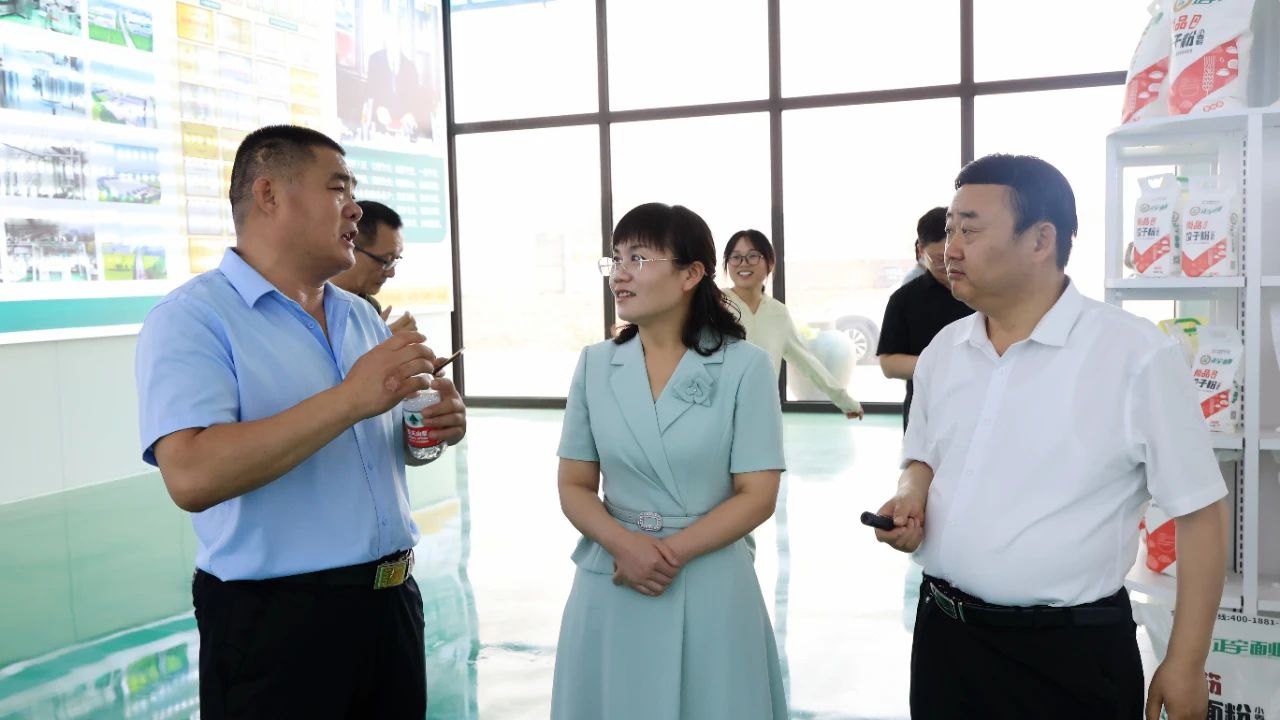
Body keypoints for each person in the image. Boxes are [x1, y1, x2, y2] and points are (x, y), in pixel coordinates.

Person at [873, 154, 1227, 720]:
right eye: (949, 230)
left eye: (969, 230)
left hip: (1067, 656)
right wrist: (910, 495)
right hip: (946, 637)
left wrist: (1185, 661)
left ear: (1041, 239)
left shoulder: (1134, 355)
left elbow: (1200, 512)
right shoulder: (944, 350)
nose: (949, 249)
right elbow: (923, 458)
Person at [134, 124, 467, 719]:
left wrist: (431, 431)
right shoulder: (193, 318)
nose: (355, 208)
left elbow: (380, 451)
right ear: (269, 194)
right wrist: (350, 398)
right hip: (277, 626)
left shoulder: (360, 318)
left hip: (390, 607)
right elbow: (191, 475)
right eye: (338, 189)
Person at [552, 203, 788, 720]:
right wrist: (626, 547)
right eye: (615, 259)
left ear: (690, 274)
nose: (620, 274)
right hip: (612, 575)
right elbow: (573, 484)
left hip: (708, 576)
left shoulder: (744, 367)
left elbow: (757, 495)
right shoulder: (595, 364)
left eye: (638, 258)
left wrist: (663, 555)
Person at [721, 229, 863, 419]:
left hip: (764, 414)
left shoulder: (778, 313)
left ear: (770, 263)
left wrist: (844, 401)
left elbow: (807, 363)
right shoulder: (715, 305)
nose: (743, 263)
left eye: (753, 256)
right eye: (735, 257)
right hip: (718, 412)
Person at [877, 207, 975, 431]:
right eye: (940, 259)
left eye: (956, 255)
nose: (949, 265)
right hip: (927, 413)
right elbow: (889, 364)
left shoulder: (987, 292)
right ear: (920, 251)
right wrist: (947, 363)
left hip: (979, 409)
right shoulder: (904, 299)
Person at [330, 199, 415, 333]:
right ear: (349, 247)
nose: (391, 273)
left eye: (395, 259)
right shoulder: (311, 303)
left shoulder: (370, 306)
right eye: (385, 261)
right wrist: (381, 341)